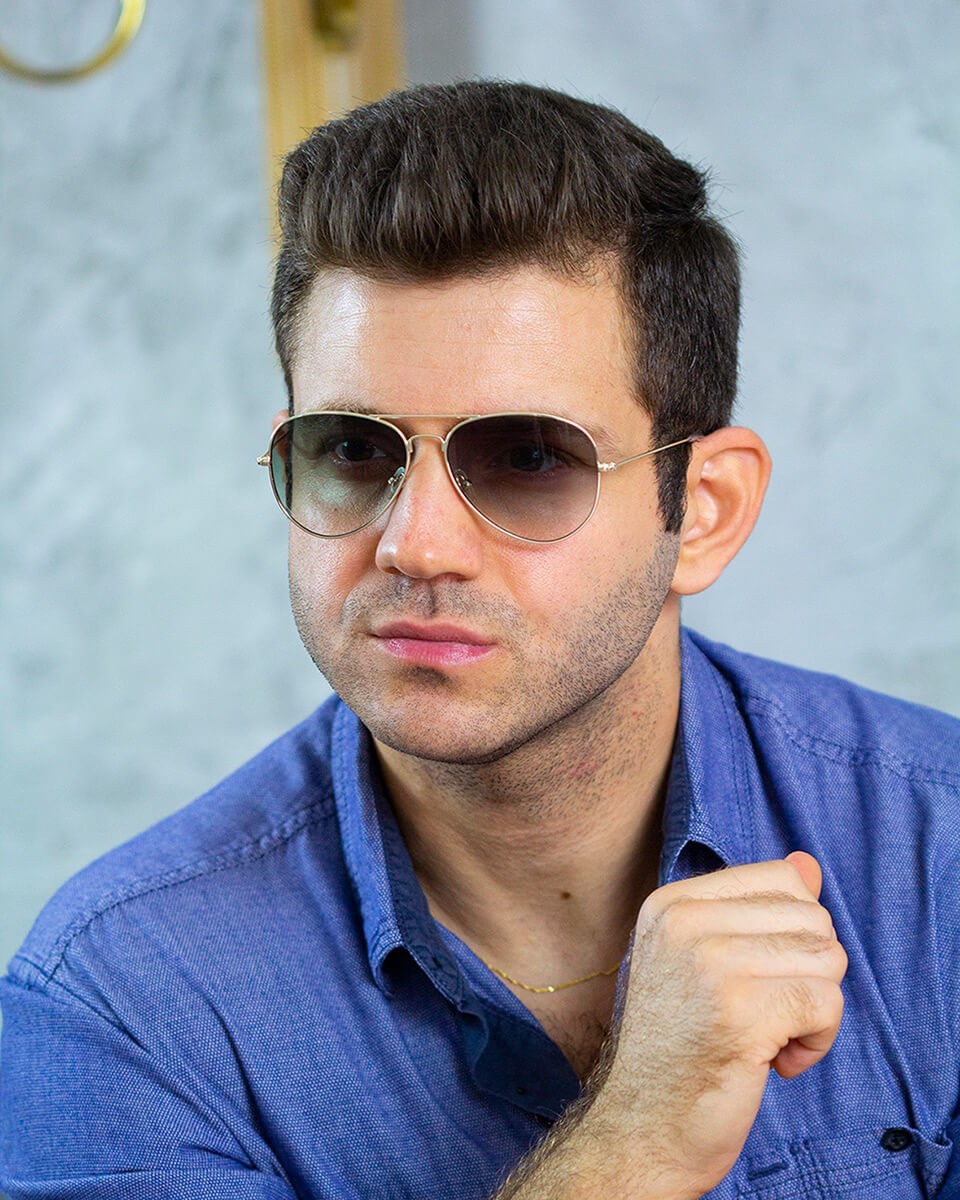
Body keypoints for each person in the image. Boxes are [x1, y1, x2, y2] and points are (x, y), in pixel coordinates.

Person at [1, 80, 958, 1200]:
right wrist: (632, 1146)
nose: (415, 544)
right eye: (354, 451)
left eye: (529, 458)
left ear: (703, 510)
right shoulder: (119, 1006)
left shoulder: (938, 856)